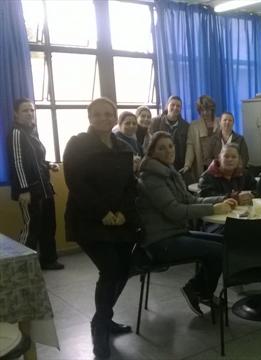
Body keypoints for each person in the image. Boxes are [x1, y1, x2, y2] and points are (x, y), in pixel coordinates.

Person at [63, 97, 141, 358]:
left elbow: (130, 185)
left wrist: (121, 213)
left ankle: (105, 318)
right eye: (97, 114)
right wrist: (103, 213)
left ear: (114, 116)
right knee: (109, 269)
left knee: (123, 270)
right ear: (89, 116)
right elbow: (76, 183)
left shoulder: (123, 146)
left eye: (109, 114)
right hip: (88, 220)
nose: (104, 118)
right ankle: (99, 326)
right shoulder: (77, 144)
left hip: (120, 220)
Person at [137, 132, 237, 316]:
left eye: (171, 146)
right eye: (161, 148)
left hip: (175, 233)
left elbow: (191, 199)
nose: (168, 151)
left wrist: (223, 199)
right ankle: (200, 291)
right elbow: (175, 210)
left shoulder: (169, 172)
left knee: (223, 242)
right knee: (217, 250)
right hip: (160, 242)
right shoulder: (151, 177)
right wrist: (214, 209)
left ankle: (198, 290)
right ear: (151, 152)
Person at [7, 98, 63, 270]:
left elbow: (36, 161)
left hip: (44, 187)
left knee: (48, 225)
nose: (30, 113)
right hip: (29, 190)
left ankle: (48, 260)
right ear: (16, 114)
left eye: (32, 110)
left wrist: (47, 165)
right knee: (31, 228)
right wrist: (23, 190)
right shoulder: (16, 133)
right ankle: (22, 267)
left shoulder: (32, 133)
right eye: (25, 110)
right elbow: (17, 163)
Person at [147, 96, 190, 182]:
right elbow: (149, 145)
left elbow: (187, 147)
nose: (175, 108)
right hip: (158, 165)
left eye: (178, 106)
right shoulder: (155, 122)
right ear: (167, 106)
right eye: (172, 105)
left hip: (178, 167)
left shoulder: (186, 126)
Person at [184, 95, 218, 178]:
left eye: (207, 110)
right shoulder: (193, 125)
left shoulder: (221, 122)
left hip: (219, 166)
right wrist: (187, 164)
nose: (205, 113)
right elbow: (190, 146)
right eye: (202, 110)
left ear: (212, 109)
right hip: (202, 167)